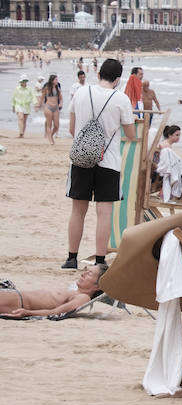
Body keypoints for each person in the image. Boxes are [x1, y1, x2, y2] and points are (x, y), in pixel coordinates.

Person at [63, 59, 136, 270]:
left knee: (78, 211)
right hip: (109, 161)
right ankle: (100, 261)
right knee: (104, 213)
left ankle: (71, 258)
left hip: (81, 159)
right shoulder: (121, 99)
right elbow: (130, 135)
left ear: (99, 74)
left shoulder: (81, 93)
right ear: (117, 79)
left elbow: (71, 129)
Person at [1, 265, 108, 318]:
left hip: (17, 302)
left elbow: (57, 312)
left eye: (89, 274)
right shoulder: (74, 291)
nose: (83, 274)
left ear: (98, 286)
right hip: (13, 295)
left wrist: (27, 313)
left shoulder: (83, 297)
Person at [40, 73, 63, 144]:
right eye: (56, 79)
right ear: (52, 80)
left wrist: (60, 104)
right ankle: (50, 140)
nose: (57, 81)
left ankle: (51, 136)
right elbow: (42, 97)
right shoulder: (46, 88)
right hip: (48, 107)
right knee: (49, 124)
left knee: (56, 125)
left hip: (55, 108)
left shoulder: (57, 88)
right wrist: (41, 105)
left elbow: (61, 98)